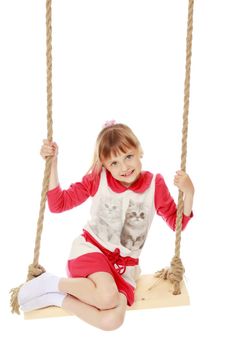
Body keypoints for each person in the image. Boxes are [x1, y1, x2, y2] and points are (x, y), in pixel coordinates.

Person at [17, 122, 194, 331]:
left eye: (128, 156)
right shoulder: (98, 179)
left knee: (112, 321)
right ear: (104, 165)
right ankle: (52, 283)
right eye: (114, 163)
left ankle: (57, 297)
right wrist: (52, 164)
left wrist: (189, 193)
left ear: (139, 150)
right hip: (91, 252)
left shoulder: (155, 185)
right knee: (107, 296)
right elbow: (58, 204)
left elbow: (176, 223)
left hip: (124, 269)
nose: (124, 168)